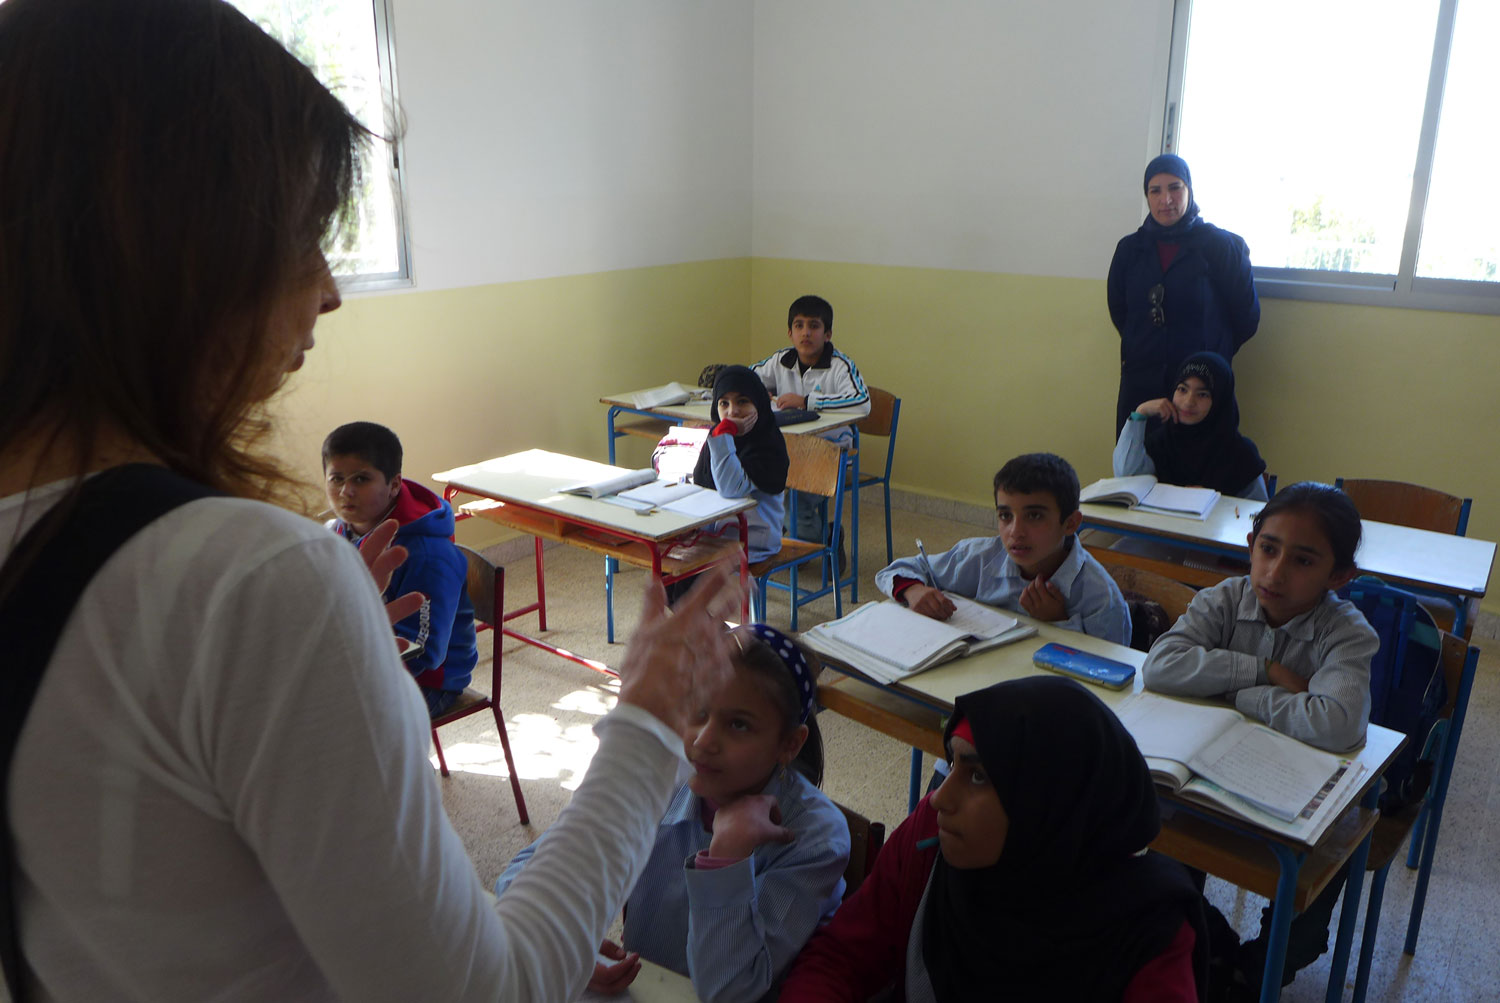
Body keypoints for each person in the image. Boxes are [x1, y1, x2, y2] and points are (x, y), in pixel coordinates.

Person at [0, 2, 740, 999]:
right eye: (304, 237)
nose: (329, 290)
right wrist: (650, 718)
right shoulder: (251, 576)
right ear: (182, 249)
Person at [779, 676, 1207, 1002]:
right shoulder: (932, 840)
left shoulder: (1148, 934)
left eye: (978, 775)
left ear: (1047, 804)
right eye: (951, 765)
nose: (939, 798)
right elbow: (840, 959)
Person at [497, 624, 849, 1003]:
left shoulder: (816, 837)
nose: (703, 740)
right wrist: (558, 940)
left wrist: (727, 858)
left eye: (738, 724)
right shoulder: (659, 777)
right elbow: (526, 873)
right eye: (697, 712)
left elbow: (728, 990)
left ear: (790, 744)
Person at [1142, 482, 1376, 996]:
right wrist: (1263, 672)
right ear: (1252, 544)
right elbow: (1160, 667)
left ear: (1338, 576)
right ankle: (1200, 944)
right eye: (1268, 549)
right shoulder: (1227, 598)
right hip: (1214, 777)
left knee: (1315, 881)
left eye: (1303, 561)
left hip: (1300, 794)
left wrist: (1240, 696)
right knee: (1159, 848)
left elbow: (1337, 724)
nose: (1274, 572)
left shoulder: (1346, 632)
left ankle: (1260, 966)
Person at [875, 453, 1131, 646]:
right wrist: (914, 589)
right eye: (1005, 516)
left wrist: (1059, 623)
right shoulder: (977, 557)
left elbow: (1112, 672)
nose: (1015, 532)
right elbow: (897, 570)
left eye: (1034, 516)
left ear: (1071, 523)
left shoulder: (1101, 597)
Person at [323, 421, 478, 717]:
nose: (346, 491)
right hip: (363, 657)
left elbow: (424, 654)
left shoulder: (427, 556)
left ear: (394, 485)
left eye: (361, 479)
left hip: (429, 681)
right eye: (336, 478)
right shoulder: (335, 531)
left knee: (335, 721)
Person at [1107, 154, 1260, 434]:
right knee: (1136, 469)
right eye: (1156, 190)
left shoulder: (1220, 246)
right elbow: (1121, 312)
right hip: (1142, 382)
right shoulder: (1130, 250)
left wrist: (1213, 352)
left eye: (1175, 188)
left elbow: (1246, 317)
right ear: (1147, 196)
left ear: (1189, 189)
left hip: (1199, 387)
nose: (1166, 199)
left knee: (1197, 470)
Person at [751, 295, 869, 549]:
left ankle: (825, 538)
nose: (806, 333)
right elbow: (748, 379)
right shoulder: (781, 360)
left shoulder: (840, 366)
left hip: (829, 454)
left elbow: (862, 402)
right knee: (760, 485)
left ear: (827, 334)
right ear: (790, 332)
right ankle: (798, 538)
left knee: (796, 501)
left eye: (814, 326)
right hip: (788, 451)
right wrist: (760, 394)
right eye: (799, 326)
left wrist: (808, 402)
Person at [1114, 351, 1268, 500]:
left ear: (1219, 402)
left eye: (1202, 394)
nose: (1188, 402)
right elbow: (1127, 478)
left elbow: (1257, 516)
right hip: (1156, 527)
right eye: (1182, 389)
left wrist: (1215, 501)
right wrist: (1140, 414)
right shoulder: (1162, 442)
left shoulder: (1241, 454)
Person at [692, 365, 791, 563]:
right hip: (718, 532)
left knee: (698, 571)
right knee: (674, 562)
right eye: (723, 403)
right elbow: (701, 484)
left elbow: (730, 488)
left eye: (743, 401)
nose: (732, 411)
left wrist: (724, 433)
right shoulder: (717, 435)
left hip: (754, 539)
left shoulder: (768, 443)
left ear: (760, 404)